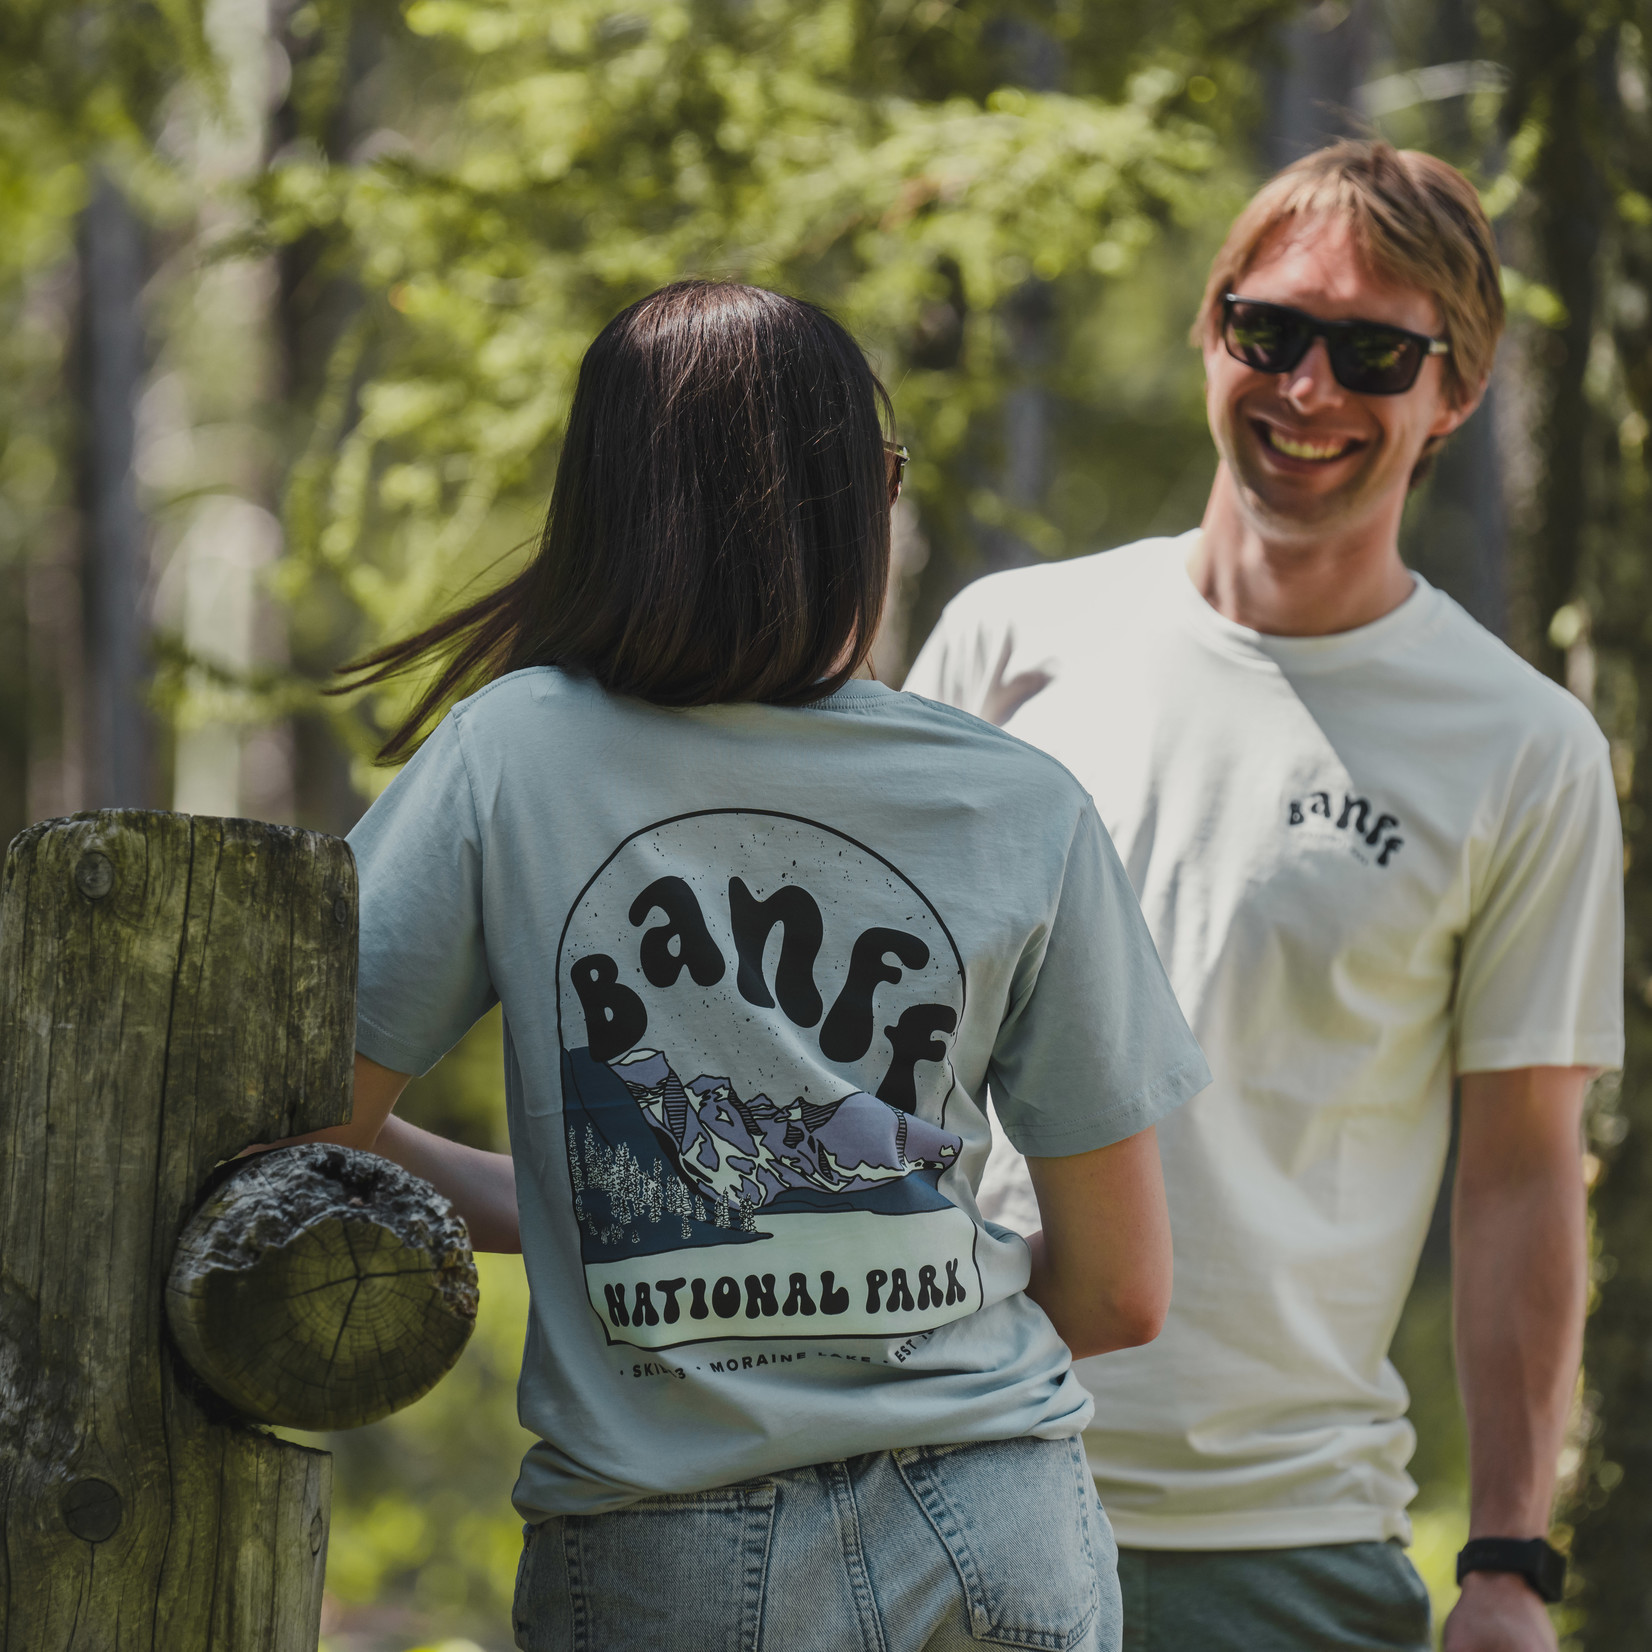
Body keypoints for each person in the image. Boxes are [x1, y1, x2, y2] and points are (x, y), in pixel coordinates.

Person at [306, 281, 1211, 1652]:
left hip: (674, 1547)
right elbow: (1122, 1291)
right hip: (998, 1526)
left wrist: (586, 1215)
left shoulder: (512, 755)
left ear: (607, 507)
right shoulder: (1018, 801)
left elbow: (316, 1115)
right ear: (854, 508)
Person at [904, 141, 1624, 1652]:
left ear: (1457, 394)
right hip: (949, 1487)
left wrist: (1506, 1562)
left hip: (1287, 1556)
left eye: (1373, 352)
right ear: (1209, 328)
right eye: (1270, 330)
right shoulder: (1009, 644)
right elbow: (873, 1058)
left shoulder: (1524, 749)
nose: (1307, 389)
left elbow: (1520, 1170)